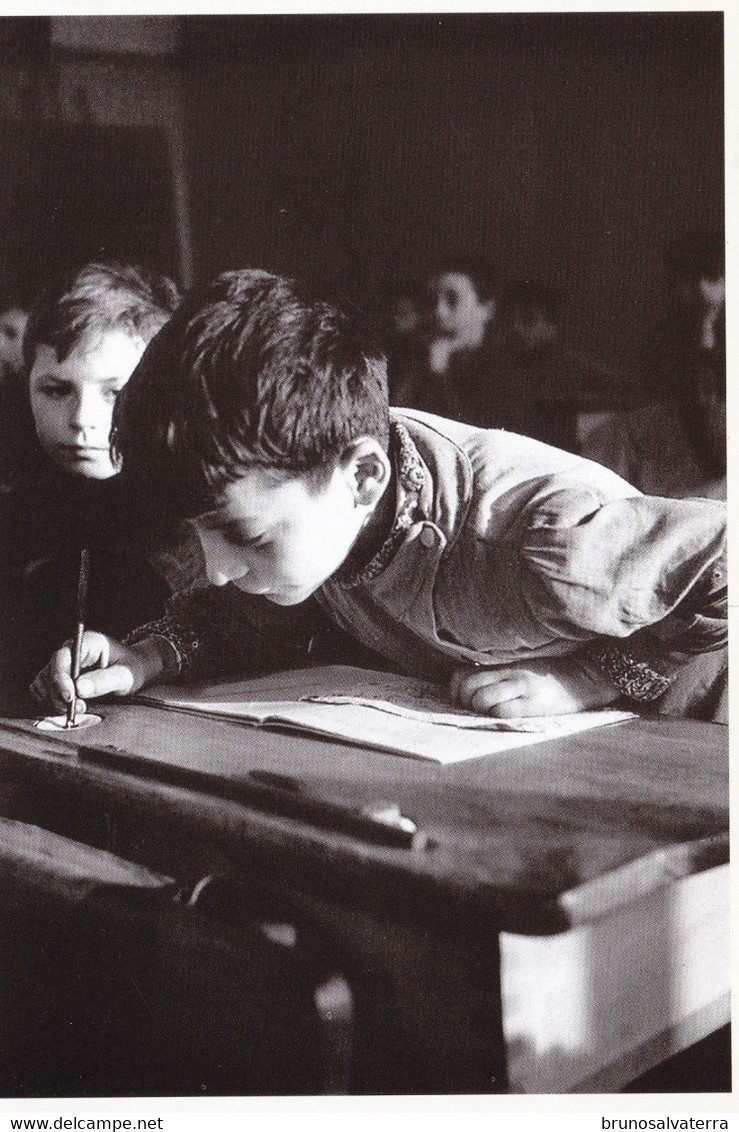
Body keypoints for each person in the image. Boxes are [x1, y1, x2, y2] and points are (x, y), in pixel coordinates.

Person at [30, 269, 726, 724]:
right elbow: (238, 614)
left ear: (363, 478)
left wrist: (589, 678)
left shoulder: (541, 539)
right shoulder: (316, 504)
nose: (215, 569)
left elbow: (721, 560)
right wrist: (140, 657)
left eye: (248, 539)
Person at [0, 261, 181, 711]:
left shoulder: (200, 513)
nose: (82, 421)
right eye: (56, 390)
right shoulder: (20, 511)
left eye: (114, 393)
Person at [582, 230, 726, 499]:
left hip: (718, 428)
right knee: (614, 438)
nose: (698, 290)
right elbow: (657, 384)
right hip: (682, 424)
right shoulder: (671, 331)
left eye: (711, 279)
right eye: (687, 281)